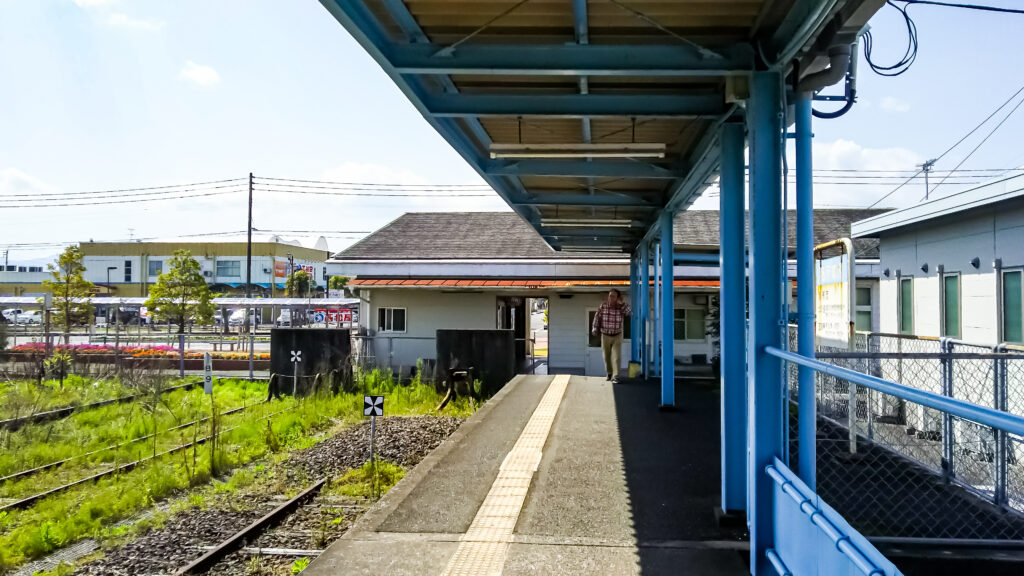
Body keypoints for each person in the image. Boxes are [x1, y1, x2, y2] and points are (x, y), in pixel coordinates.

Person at [592, 288, 631, 382]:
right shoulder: (603, 306)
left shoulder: (621, 307)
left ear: (617, 297)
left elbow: (629, 313)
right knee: (606, 356)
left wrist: (622, 304)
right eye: (610, 295)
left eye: (613, 296)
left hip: (617, 335)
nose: (611, 298)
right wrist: (594, 328)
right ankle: (609, 373)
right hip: (605, 335)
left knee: (617, 356)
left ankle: (616, 376)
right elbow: (597, 317)